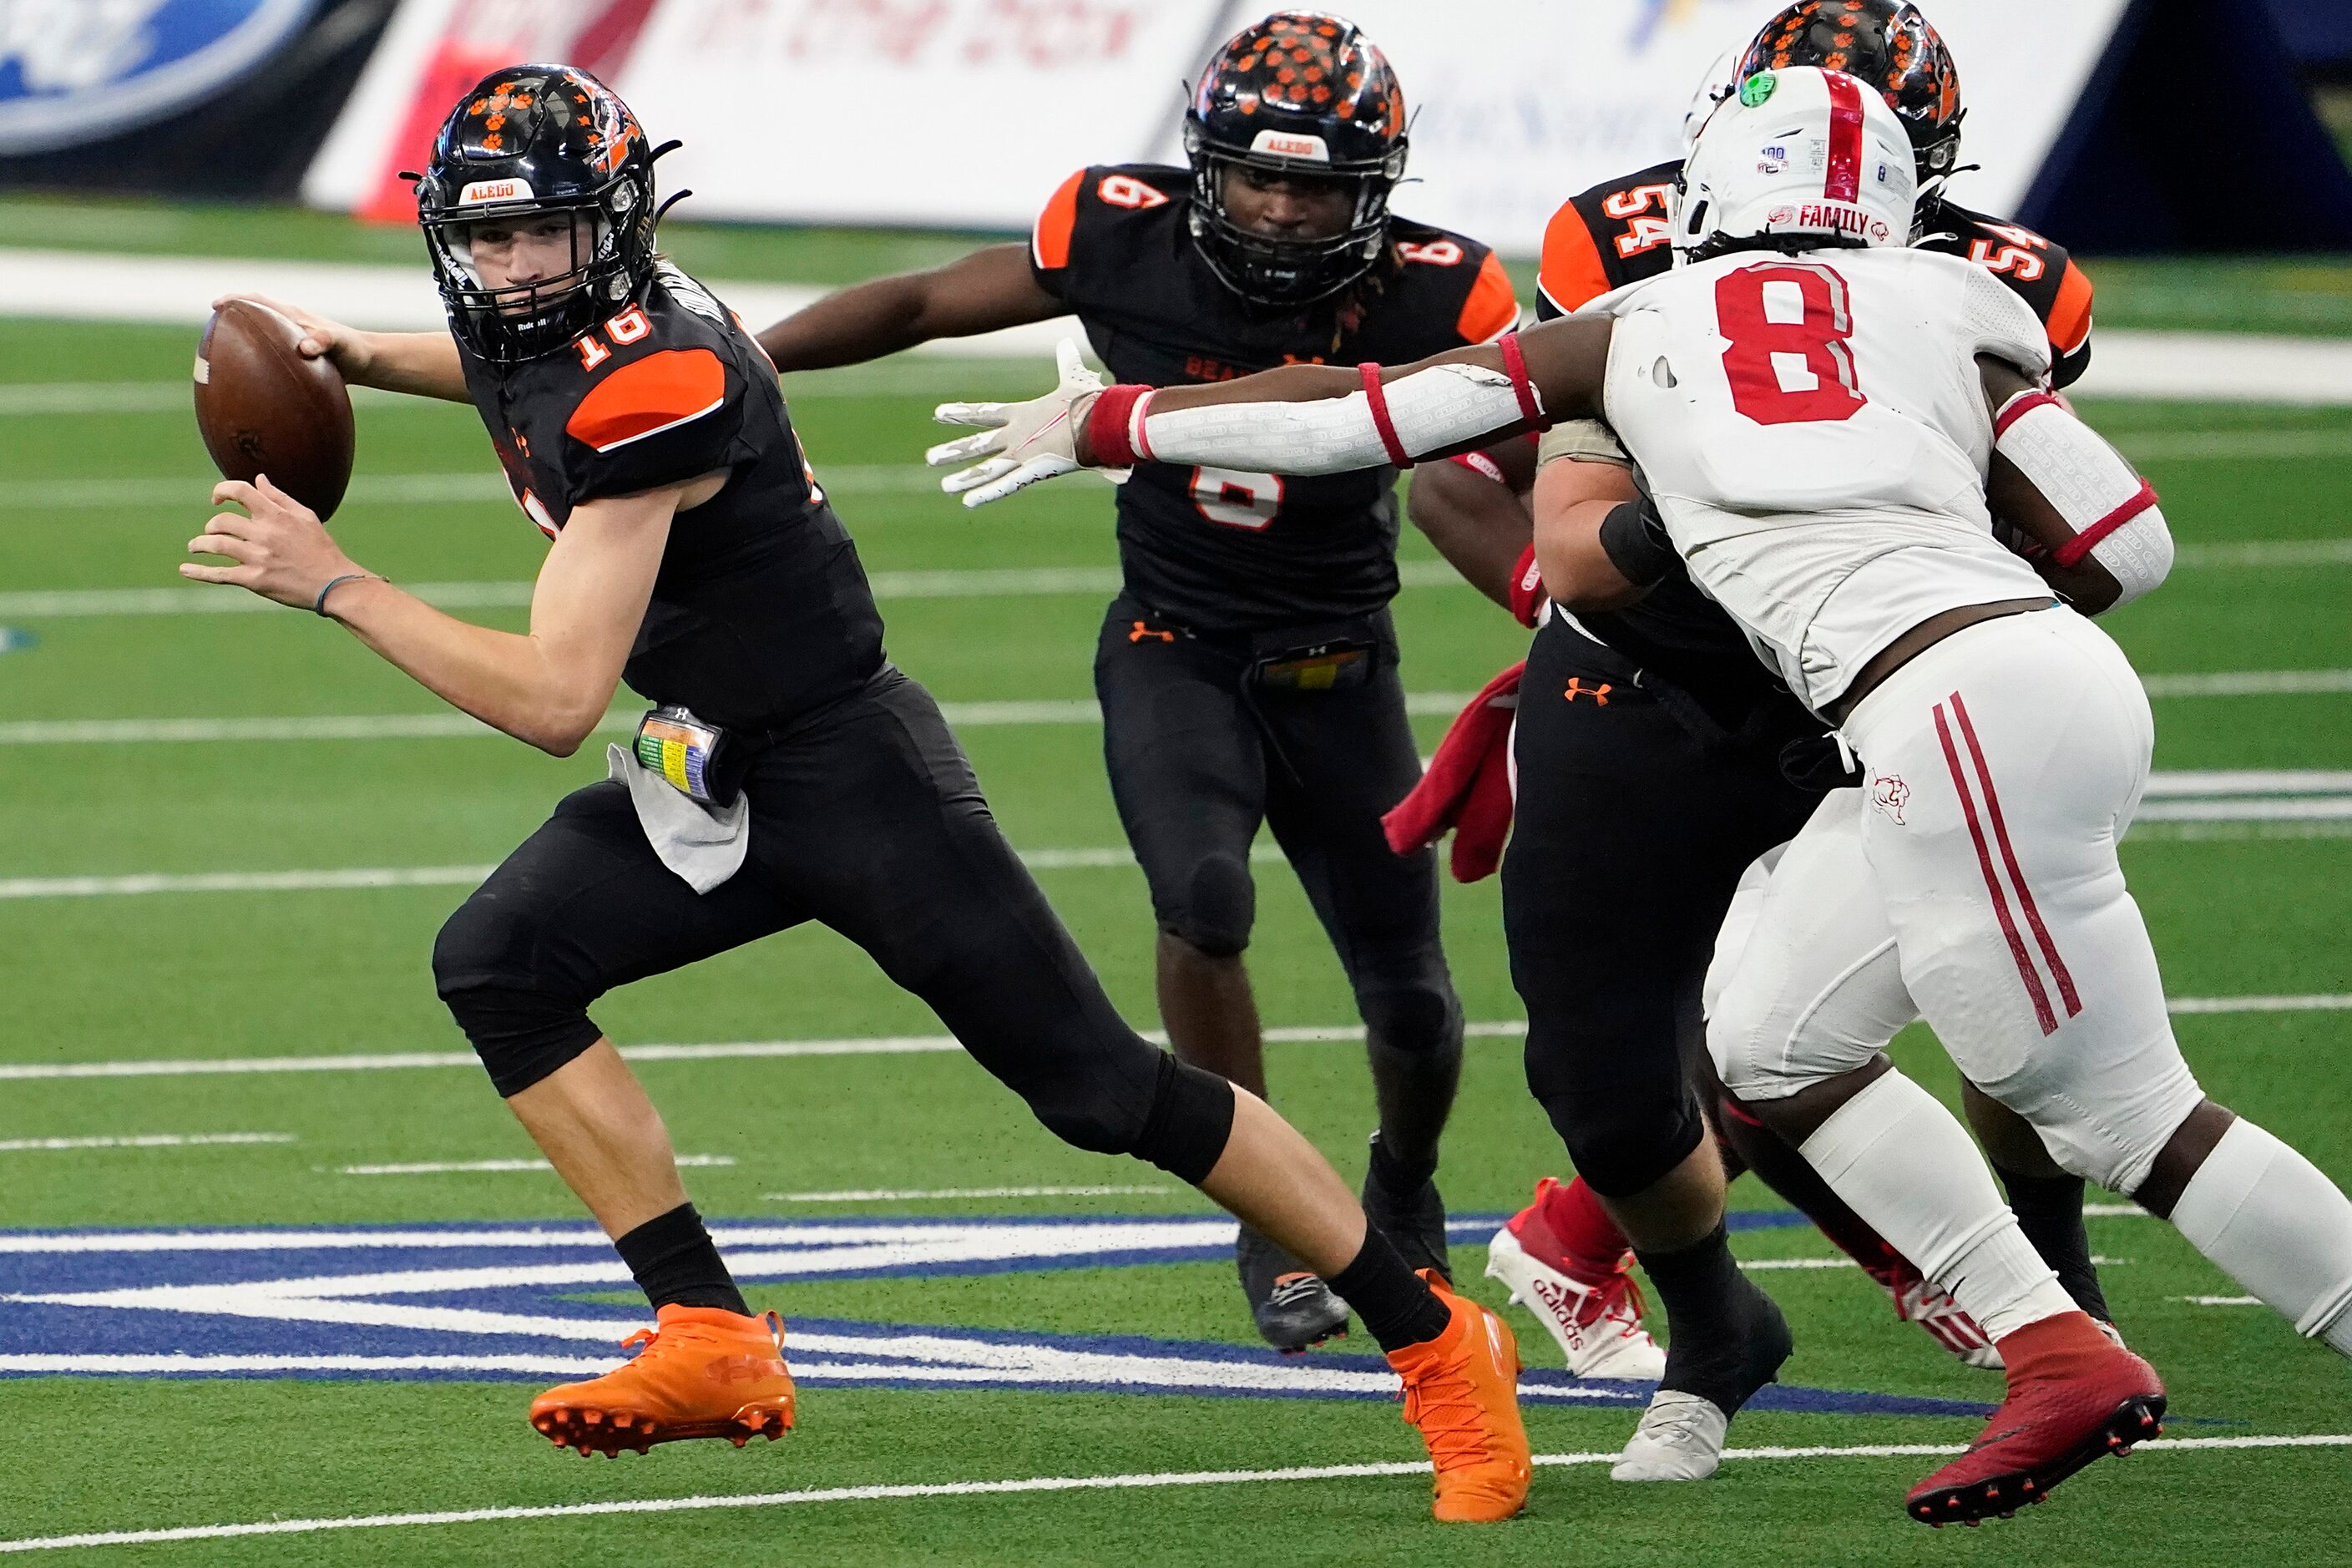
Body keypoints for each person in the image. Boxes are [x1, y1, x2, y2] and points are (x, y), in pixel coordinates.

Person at [922, 63, 2352, 1525]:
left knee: (2119, 1113)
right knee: (1767, 1041)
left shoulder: (1634, 320)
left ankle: (2172, 1335)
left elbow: (1357, 421)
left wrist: (1109, 427)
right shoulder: (1962, 305)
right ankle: (2051, 1342)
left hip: (1941, 704)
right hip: (1995, 681)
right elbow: (2127, 547)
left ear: (1711, 182)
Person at [180, 63, 1530, 1525]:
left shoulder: (656, 384)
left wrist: (340, 585)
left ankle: (1440, 1340)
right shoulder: (565, 310)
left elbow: (553, 701)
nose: (507, 269)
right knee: (497, 961)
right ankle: (706, 1333)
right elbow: (511, 360)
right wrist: (359, 356)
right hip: (717, 757)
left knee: (1103, 1091)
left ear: (613, 225)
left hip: (845, 771)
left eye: (540, 236)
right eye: (483, 238)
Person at [754, 12, 1520, 1350]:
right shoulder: (1123, 233)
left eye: (1316, 185)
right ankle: (1271, 1210)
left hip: (1340, 659)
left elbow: (1401, 422)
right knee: (1204, 901)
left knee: (1407, 995)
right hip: (1177, 641)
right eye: (1258, 177)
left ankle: (1404, 1179)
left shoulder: (1436, 289)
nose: (1281, 212)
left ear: (1377, 189)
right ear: (1202, 162)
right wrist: (746, 361)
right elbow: (931, 300)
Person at [1404, 0, 2109, 1383]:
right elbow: (1515, 491)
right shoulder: (1621, 238)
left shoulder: (2004, 282)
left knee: (1979, 984)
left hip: (1870, 674)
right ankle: (1631, 1253)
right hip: (1665, 669)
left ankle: (2040, 1277)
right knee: (1667, 1047)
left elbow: (2063, 523)